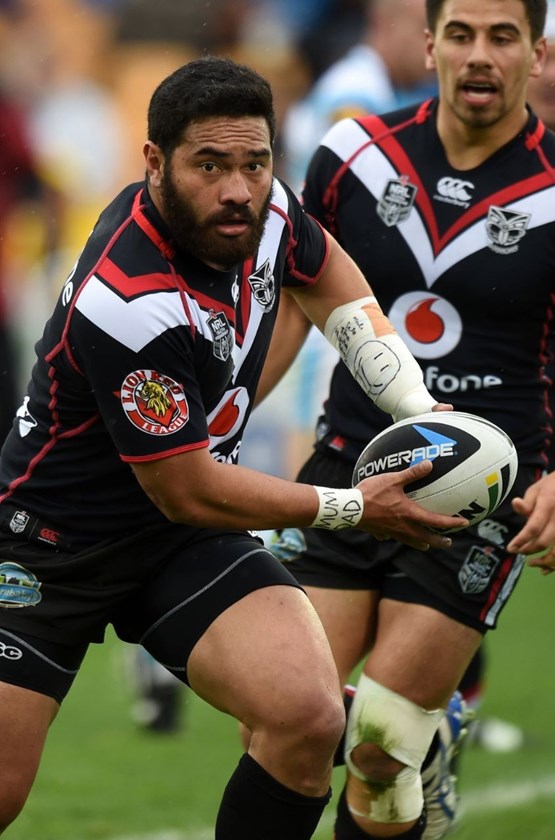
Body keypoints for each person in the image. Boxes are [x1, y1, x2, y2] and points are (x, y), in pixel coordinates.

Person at [0, 56, 464, 838]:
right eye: (209, 166)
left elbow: (324, 276)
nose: (238, 189)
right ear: (154, 161)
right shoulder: (130, 298)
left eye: (254, 162)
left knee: (305, 716)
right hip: (48, 550)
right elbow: (190, 488)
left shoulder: (264, 211)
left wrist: (416, 407)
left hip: (173, 546)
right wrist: (353, 507)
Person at [260, 2, 554, 839]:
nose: (478, 55)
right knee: (283, 720)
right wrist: (229, 417)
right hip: (351, 466)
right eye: (460, 34)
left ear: (535, 54)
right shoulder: (353, 155)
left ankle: (416, 746)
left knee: (380, 745)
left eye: (502, 37)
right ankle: (428, 743)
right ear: (427, 44)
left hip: (485, 491)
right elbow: (296, 304)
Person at [282, 0, 437, 191]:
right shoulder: (355, 97)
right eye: (423, 28)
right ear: (383, 24)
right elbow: (349, 190)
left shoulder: (395, 90)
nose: (434, 44)